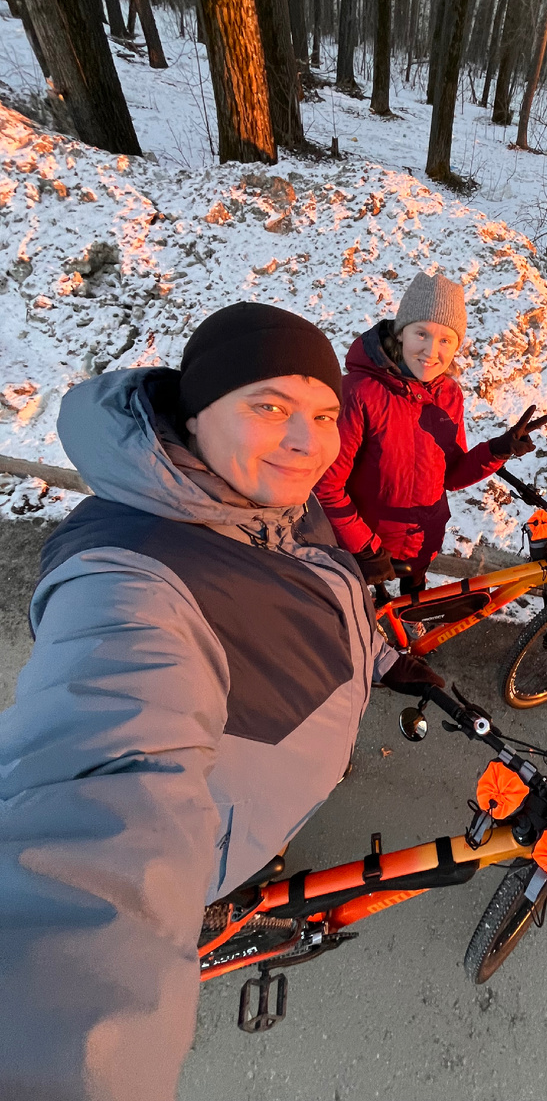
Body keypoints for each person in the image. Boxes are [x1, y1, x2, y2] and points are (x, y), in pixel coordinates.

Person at [0, 301, 442, 1101]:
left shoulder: (270, 502)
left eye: (324, 415)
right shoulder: (128, 577)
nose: (308, 441)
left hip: (269, 790)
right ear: (195, 414)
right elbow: (91, 814)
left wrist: (381, 659)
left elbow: (311, 598)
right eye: (269, 407)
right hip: (207, 840)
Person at [315, 271, 547, 591]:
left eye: (445, 340)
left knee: (412, 613)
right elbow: (326, 486)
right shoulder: (359, 393)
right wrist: (365, 548)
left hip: (422, 544)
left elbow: (450, 475)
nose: (431, 351)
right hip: (366, 556)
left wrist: (498, 449)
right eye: (421, 333)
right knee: (363, 618)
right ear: (401, 333)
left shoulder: (448, 394)